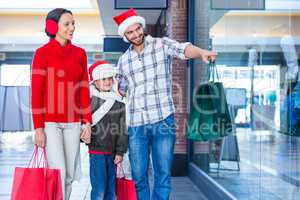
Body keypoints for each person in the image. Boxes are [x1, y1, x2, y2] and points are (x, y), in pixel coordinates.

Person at [113, 8, 217, 200]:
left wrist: (201, 52)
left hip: (163, 121)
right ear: (125, 36)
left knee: (162, 175)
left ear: (141, 27)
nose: (136, 34)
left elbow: (183, 49)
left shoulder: (162, 45)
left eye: (137, 29)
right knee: (138, 176)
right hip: (137, 125)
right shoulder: (123, 61)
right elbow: (119, 91)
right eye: (130, 32)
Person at [31, 8, 92, 200]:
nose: (72, 28)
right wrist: (38, 128)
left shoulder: (80, 53)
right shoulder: (41, 54)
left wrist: (87, 122)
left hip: (73, 122)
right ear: (52, 26)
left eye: (73, 23)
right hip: (51, 124)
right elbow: (36, 93)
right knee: (58, 170)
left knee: (69, 176)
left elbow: (83, 89)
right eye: (67, 24)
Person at [87, 60, 128, 200]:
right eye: (103, 79)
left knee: (112, 190)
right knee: (99, 189)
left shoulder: (119, 104)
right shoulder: (90, 101)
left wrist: (120, 152)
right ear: (95, 82)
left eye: (110, 78)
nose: (107, 82)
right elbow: (84, 123)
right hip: (96, 151)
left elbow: (122, 130)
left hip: (113, 153)